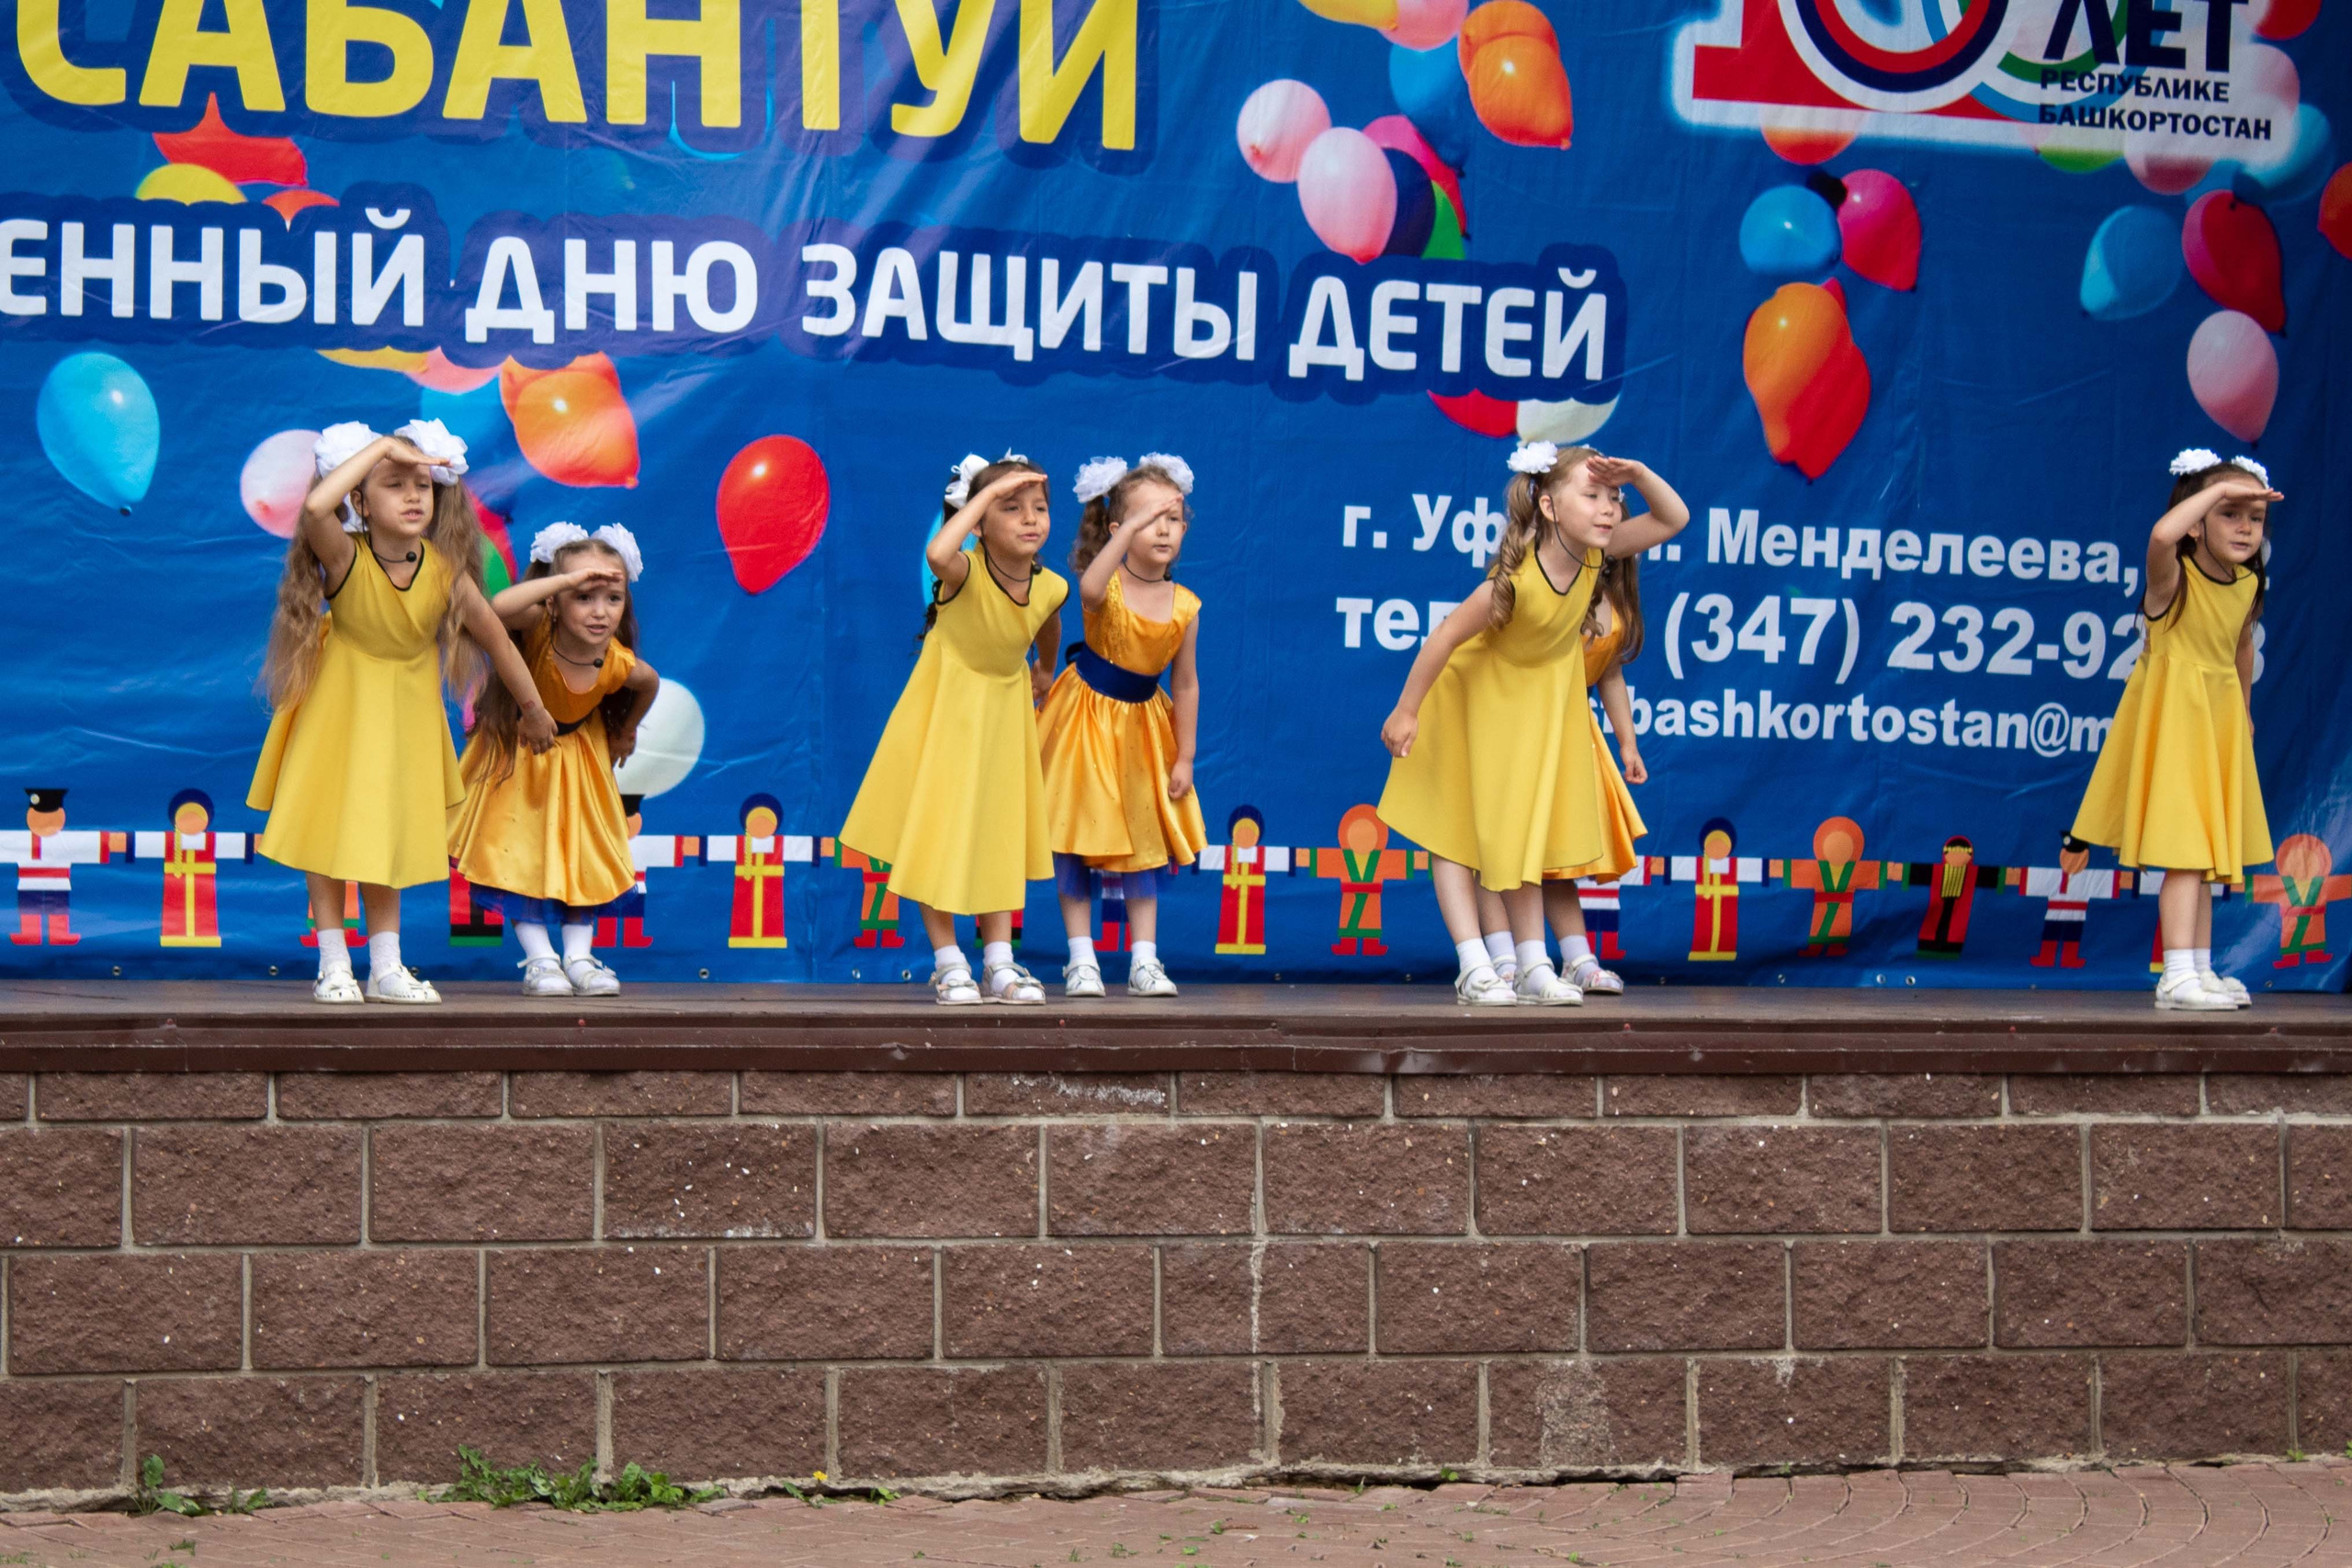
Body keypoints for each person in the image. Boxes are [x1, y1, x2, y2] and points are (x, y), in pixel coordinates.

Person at [248, 420, 553, 1004]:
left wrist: (534, 709)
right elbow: (315, 508)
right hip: (340, 709)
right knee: (328, 828)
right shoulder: (343, 557)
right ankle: (333, 960)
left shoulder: (445, 574)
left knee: (385, 830)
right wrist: (382, 447)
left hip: (405, 716)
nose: (415, 496)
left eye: (424, 484)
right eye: (394, 483)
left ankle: (386, 965)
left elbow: (497, 640)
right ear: (360, 499)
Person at [1378, 443, 1688, 1006]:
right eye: (1592, 495)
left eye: (1615, 498)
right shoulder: (1517, 582)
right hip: (1468, 701)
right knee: (1453, 831)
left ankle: (1534, 965)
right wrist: (1407, 709)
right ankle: (1474, 965)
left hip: (1527, 710)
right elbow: (1446, 637)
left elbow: (1674, 518)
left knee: (1526, 833)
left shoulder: (1597, 557)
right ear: (1548, 507)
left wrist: (1639, 471)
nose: (1609, 509)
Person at [840, 454, 1068, 1005]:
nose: (1029, 518)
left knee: (998, 832)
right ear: (980, 519)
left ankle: (1001, 963)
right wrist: (983, 500)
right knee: (935, 832)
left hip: (1003, 715)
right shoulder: (962, 570)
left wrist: (1044, 669)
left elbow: (1048, 622)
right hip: (946, 713)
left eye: (1038, 507)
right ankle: (949, 963)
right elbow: (938, 551)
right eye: (1010, 508)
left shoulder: (1052, 585)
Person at [2068, 447, 2277, 1010]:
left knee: (2204, 853)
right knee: (2185, 849)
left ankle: (2200, 970)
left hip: (2217, 720)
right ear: (2198, 519)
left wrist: (2246, 712)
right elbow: (2162, 536)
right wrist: (2216, 490)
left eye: (2254, 518)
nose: (2244, 527)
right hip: (2174, 722)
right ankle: (2175, 974)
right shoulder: (2172, 578)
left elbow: (2240, 649)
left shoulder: (2244, 586)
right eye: (2230, 513)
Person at [447, 524, 660, 997]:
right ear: (555, 602)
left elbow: (649, 683)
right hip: (523, 757)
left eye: (613, 598)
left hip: (578, 759)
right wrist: (564, 580)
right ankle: (541, 960)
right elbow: (498, 609)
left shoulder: (617, 660)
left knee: (580, 854)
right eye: (584, 597)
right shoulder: (538, 626)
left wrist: (626, 731)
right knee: (517, 855)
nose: (600, 612)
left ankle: (579, 958)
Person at [1036, 454, 1206, 999]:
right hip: (1083, 719)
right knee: (1074, 834)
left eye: (1172, 519)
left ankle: (1145, 961)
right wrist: (1126, 527)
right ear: (1118, 528)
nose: (1162, 530)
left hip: (1142, 730)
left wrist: (1185, 756)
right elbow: (1086, 590)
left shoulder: (1185, 605)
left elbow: (1185, 684)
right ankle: (1081, 958)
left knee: (1142, 838)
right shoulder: (1103, 587)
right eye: (1147, 519)